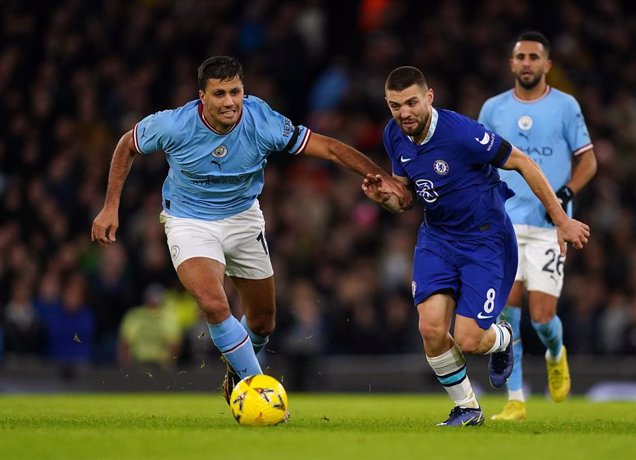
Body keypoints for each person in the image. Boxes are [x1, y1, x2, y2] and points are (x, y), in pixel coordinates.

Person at [91, 56, 411, 404]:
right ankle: (258, 390)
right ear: (203, 96)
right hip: (189, 221)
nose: (229, 102)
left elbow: (330, 149)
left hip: (243, 218)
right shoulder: (173, 125)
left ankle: (238, 371)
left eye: (235, 92)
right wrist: (111, 206)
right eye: (219, 94)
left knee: (262, 323)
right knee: (215, 304)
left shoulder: (264, 121)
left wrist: (381, 177)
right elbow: (127, 144)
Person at [361, 66, 590, 426]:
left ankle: (502, 338)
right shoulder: (394, 135)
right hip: (437, 237)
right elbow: (407, 199)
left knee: (468, 339)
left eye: (411, 103)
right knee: (431, 329)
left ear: (429, 97)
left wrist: (560, 219)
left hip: (485, 240)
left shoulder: (461, 133)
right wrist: (385, 198)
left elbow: (522, 162)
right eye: (394, 105)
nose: (404, 113)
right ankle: (468, 407)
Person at [478, 31, 597, 421]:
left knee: (542, 318)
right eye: (520, 56)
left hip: (549, 224)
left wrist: (566, 192)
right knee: (506, 315)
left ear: (547, 65)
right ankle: (516, 400)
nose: (527, 63)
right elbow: (478, 161)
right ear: (511, 64)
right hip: (505, 224)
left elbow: (588, 161)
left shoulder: (565, 106)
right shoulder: (493, 109)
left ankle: (556, 353)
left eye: (534, 57)